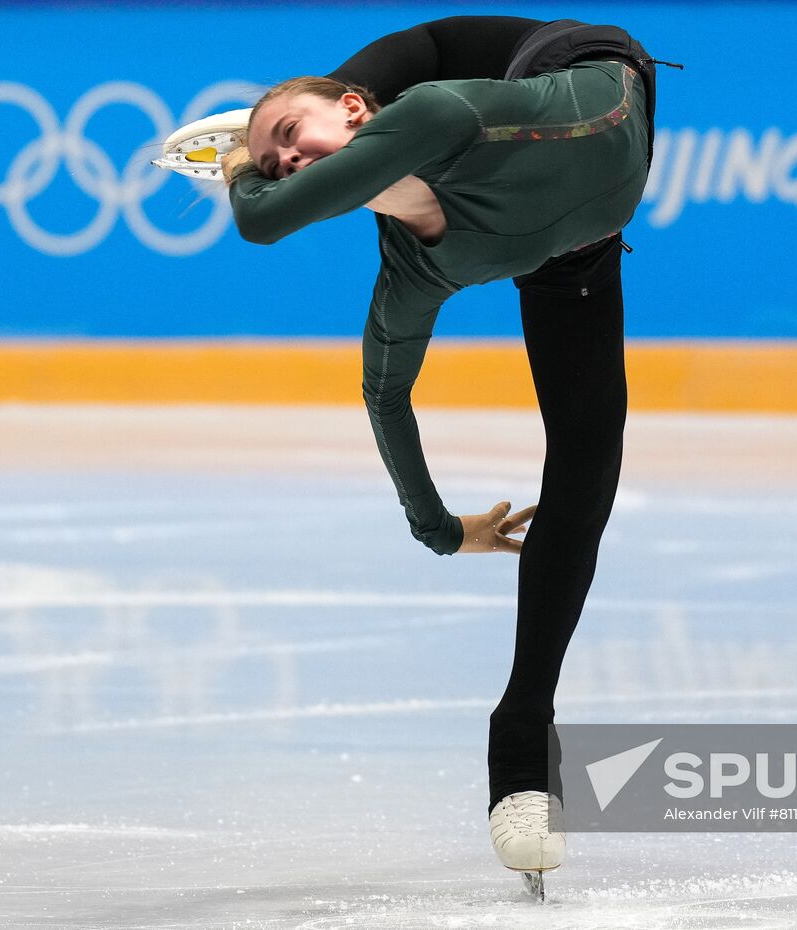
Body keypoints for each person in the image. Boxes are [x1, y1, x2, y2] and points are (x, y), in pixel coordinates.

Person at [220, 16, 665, 881]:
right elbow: (385, 393)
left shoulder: (434, 111)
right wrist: (439, 527)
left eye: (288, 139)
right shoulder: (411, 271)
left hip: (584, 74)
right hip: (572, 247)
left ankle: (303, 93)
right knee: (588, 456)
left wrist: (243, 166)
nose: (283, 163)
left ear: (357, 111)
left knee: (416, 50)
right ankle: (522, 753)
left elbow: (261, 223)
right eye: (272, 161)